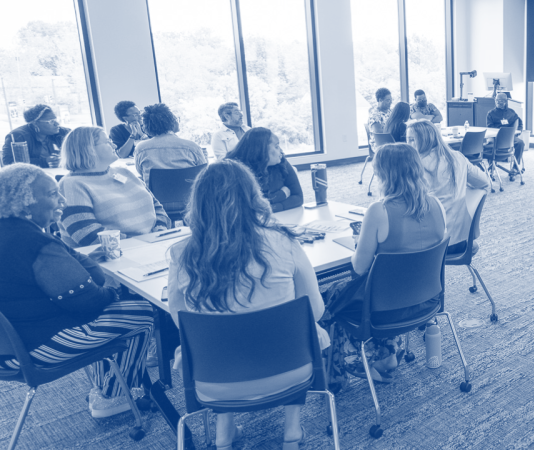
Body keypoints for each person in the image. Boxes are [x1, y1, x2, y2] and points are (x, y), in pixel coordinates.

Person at [168, 160, 328, 450]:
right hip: (291, 371)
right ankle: (292, 431)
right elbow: (315, 311)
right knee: (299, 333)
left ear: (198, 204)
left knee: (218, 342)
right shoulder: (283, 241)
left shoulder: (182, 254)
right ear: (254, 196)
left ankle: (223, 434)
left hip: (214, 382)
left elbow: (182, 322)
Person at [0, 163, 155, 419]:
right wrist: (113, 292)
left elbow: (76, 273)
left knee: (111, 313)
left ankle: (107, 387)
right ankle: (113, 398)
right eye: (52, 194)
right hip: (28, 349)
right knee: (140, 312)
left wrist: (86, 269)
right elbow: (88, 302)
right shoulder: (35, 242)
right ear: (25, 204)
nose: (63, 200)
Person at [323, 143, 446, 383]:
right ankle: (387, 356)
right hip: (426, 301)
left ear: (385, 175)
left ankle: (347, 369)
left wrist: (360, 242)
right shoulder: (437, 205)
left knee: (332, 296)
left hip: (386, 309)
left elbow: (359, 268)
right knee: (387, 286)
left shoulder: (379, 211)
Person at [57, 126, 171, 247]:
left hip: (150, 244)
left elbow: (156, 205)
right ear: (88, 148)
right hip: (113, 252)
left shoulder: (124, 172)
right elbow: (86, 234)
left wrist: (160, 228)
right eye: (108, 142)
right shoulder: (71, 184)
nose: (115, 146)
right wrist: (140, 243)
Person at [406, 120, 490, 254]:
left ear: (425, 140)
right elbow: (484, 182)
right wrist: (460, 192)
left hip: (431, 247)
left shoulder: (415, 165)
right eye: (407, 140)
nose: (408, 145)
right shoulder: (458, 157)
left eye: (412, 140)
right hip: (461, 241)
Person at [224, 127, 303, 212]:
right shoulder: (236, 170)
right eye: (276, 146)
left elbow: (298, 198)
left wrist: (269, 206)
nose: (281, 150)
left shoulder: (281, 161)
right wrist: (281, 195)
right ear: (261, 150)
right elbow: (245, 208)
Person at [133, 103, 207, 183]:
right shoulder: (192, 147)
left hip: (154, 190)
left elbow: (141, 172)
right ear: (172, 122)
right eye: (176, 119)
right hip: (189, 190)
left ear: (146, 127)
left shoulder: (140, 148)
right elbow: (203, 172)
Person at [2, 104, 71, 168]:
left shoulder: (64, 133)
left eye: (56, 120)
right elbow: (9, 162)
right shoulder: (18, 136)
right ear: (35, 124)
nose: (57, 124)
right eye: (51, 121)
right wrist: (44, 162)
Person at [485, 92, 525, 170]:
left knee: (520, 143)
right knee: (489, 145)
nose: (498, 102)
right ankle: (491, 167)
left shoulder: (511, 112)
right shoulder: (491, 113)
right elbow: (490, 128)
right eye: (497, 100)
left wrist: (519, 131)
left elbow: (519, 121)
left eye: (501, 101)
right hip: (496, 137)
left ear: (505, 101)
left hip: (509, 137)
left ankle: (515, 167)